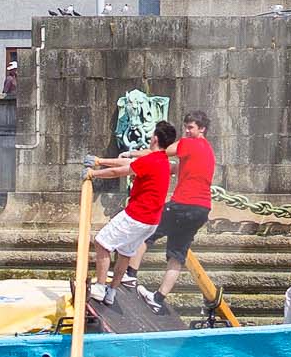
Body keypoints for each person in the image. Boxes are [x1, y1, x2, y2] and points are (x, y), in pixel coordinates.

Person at [84, 120, 178, 305]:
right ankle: (111, 292)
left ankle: (100, 288)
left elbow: (119, 171)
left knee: (102, 243)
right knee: (125, 252)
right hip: (151, 221)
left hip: (137, 215)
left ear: (155, 139)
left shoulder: (150, 160)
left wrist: (93, 174)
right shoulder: (163, 162)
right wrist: (99, 161)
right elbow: (128, 162)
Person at [148, 111, 216, 316]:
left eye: (191, 127)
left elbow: (163, 151)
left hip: (183, 205)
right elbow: (177, 167)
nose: (187, 131)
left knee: (146, 231)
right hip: (202, 210)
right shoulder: (208, 150)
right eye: (186, 127)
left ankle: (129, 274)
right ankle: (158, 298)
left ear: (202, 129)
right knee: (177, 256)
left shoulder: (189, 143)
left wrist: (136, 155)